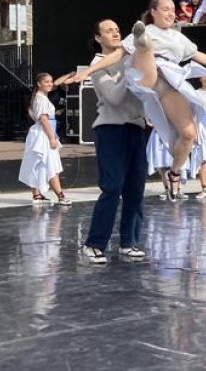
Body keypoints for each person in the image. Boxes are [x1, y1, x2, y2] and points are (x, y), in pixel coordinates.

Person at [67, 0, 206, 200]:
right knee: (146, 48)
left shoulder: (177, 37)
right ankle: (142, 43)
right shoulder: (149, 30)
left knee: (189, 134)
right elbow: (117, 54)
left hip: (170, 81)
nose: (170, 13)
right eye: (165, 9)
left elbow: (196, 54)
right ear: (153, 12)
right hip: (147, 73)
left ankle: (175, 172)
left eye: (172, 10)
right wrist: (89, 71)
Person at [80, 19, 149, 265]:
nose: (115, 33)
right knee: (112, 187)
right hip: (111, 129)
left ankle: (128, 242)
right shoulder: (98, 64)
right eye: (108, 31)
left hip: (136, 128)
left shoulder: (131, 58)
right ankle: (94, 244)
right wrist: (129, 73)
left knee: (135, 189)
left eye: (117, 30)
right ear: (98, 38)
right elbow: (114, 98)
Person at [18, 73, 69, 206]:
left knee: (38, 163)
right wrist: (52, 138)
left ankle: (37, 194)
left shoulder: (40, 98)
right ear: (39, 84)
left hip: (42, 133)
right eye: (46, 81)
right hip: (43, 134)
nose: (50, 84)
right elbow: (44, 119)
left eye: (51, 81)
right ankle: (60, 195)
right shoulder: (40, 99)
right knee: (50, 164)